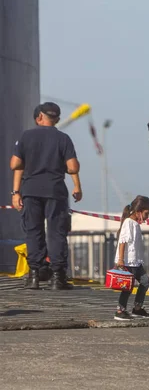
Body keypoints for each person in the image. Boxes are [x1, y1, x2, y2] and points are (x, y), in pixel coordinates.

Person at [10, 102, 82, 290]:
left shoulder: (26, 136)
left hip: (30, 190)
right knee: (56, 233)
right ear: (57, 119)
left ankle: (34, 275)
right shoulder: (63, 138)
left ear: (39, 117)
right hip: (55, 191)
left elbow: (15, 164)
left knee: (33, 231)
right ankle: (58, 277)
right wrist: (76, 183)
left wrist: (16, 192)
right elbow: (73, 167)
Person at [113, 196, 149, 321]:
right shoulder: (128, 223)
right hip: (128, 262)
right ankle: (120, 310)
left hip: (136, 262)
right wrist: (121, 259)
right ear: (138, 211)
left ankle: (137, 308)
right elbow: (122, 241)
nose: (147, 217)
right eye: (146, 213)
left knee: (145, 281)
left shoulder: (136, 224)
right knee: (128, 287)